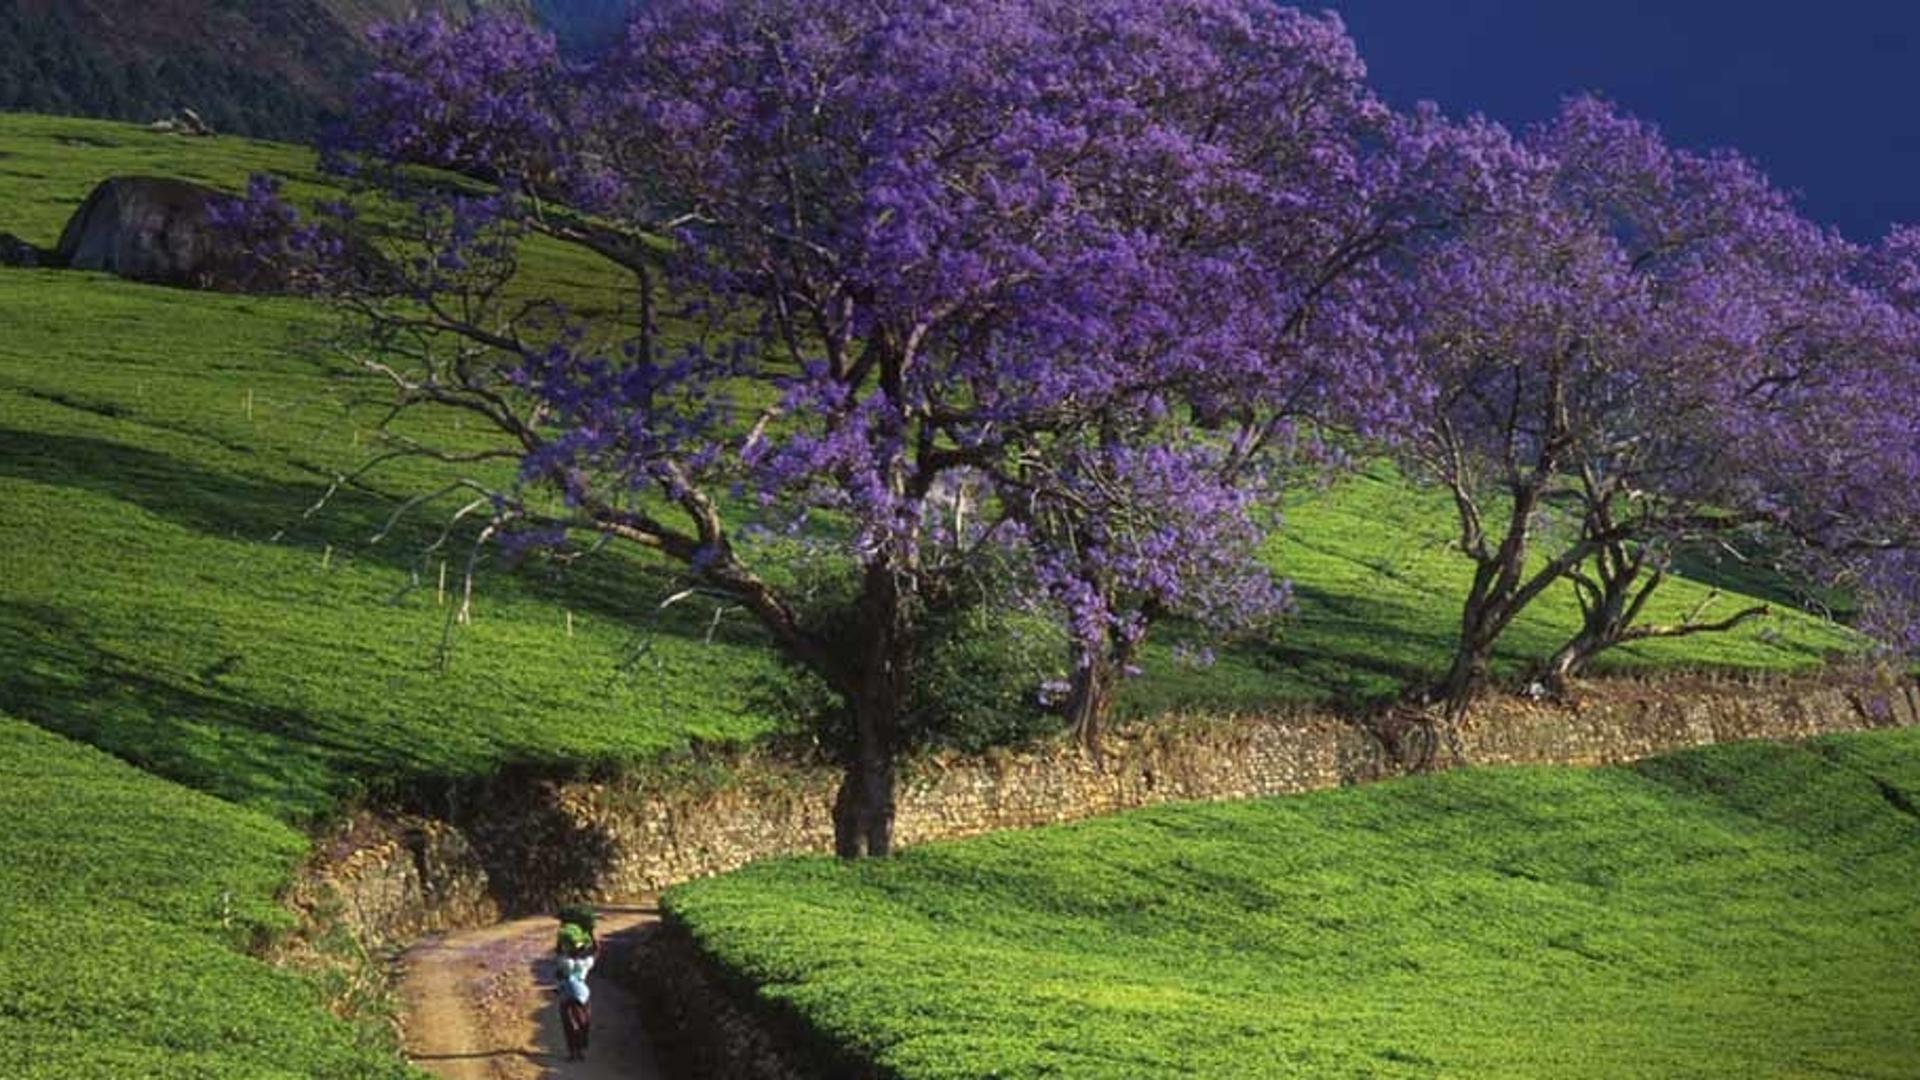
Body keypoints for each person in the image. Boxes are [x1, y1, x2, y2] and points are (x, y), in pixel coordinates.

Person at [554, 921, 596, 1061]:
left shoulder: (571, 962)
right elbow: (596, 950)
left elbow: (596, 950)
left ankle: (575, 1052)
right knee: (581, 1024)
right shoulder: (582, 962)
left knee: (573, 1026)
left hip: (570, 997)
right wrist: (590, 933)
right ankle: (576, 1052)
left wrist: (560, 937)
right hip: (580, 997)